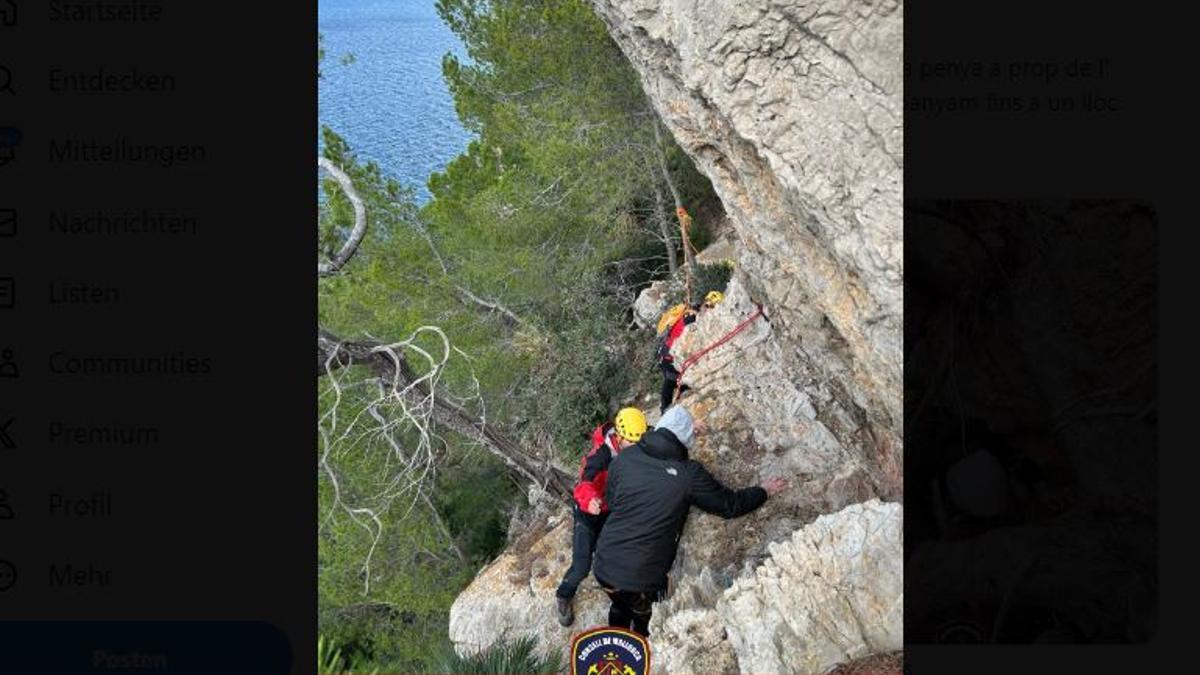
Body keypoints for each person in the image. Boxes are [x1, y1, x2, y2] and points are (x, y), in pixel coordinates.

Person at [591, 404, 788, 636]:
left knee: (620, 604)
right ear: (684, 440)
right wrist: (763, 490)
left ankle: (615, 638)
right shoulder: (688, 473)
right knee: (646, 618)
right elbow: (729, 505)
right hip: (641, 578)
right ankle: (641, 644)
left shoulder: (624, 458)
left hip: (603, 564)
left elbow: (614, 503)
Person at [555, 406, 648, 627]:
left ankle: (628, 598)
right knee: (582, 565)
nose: (635, 447)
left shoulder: (637, 435)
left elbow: (660, 436)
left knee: (617, 559)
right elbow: (583, 484)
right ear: (619, 436)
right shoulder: (601, 455)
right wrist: (591, 501)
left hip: (610, 510)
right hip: (589, 512)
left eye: (638, 442)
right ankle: (563, 594)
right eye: (631, 443)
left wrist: (688, 427)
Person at [656, 291, 724, 412]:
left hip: (666, 355)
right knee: (674, 383)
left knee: (679, 385)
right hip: (669, 357)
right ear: (704, 303)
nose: (708, 310)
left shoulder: (692, 313)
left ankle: (669, 410)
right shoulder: (692, 319)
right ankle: (666, 412)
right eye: (708, 306)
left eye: (711, 308)